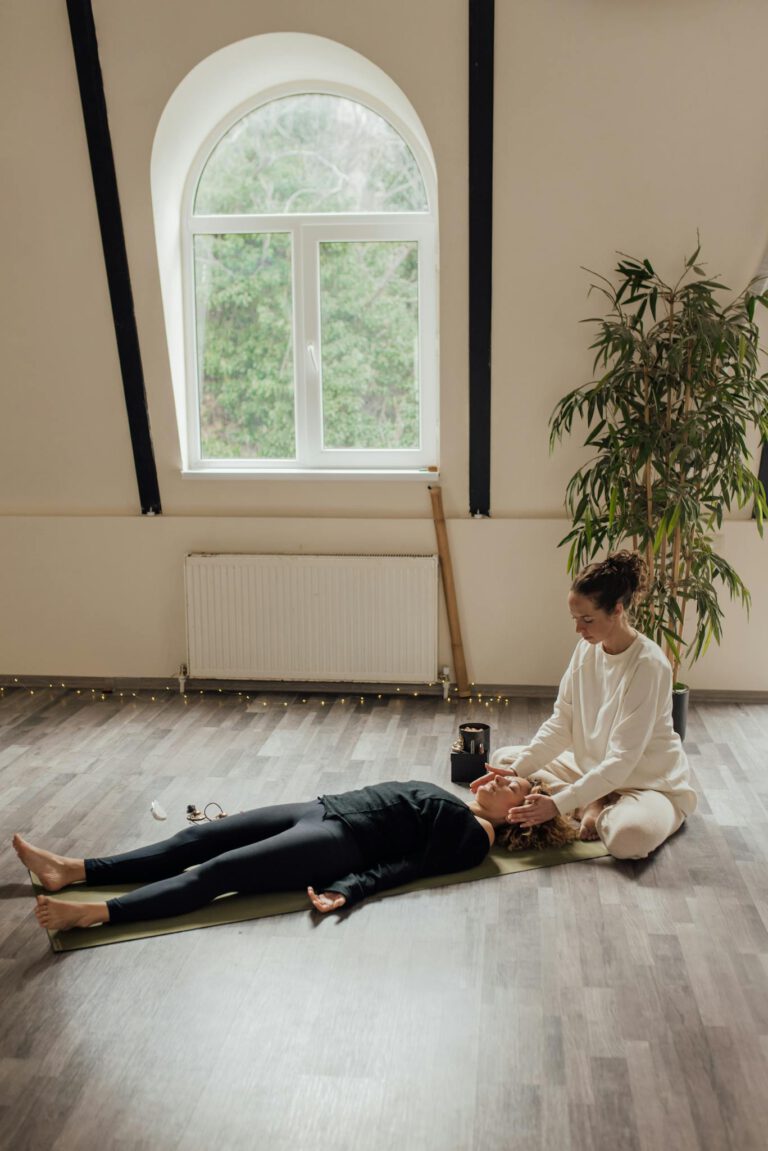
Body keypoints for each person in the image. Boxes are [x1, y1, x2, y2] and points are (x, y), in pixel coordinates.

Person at [13, 774, 575, 933]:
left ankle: (97, 912)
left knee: (216, 873)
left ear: (520, 817)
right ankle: (73, 870)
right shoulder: (466, 809)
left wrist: (348, 889)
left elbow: (405, 868)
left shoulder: (475, 839)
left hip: (337, 842)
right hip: (322, 808)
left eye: (515, 787)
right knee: (196, 839)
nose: (501, 778)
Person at [471, 551, 697, 860]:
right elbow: (560, 724)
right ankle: (593, 799)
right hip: (590, 767)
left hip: (646, 783)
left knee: (627, 841)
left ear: (617, 610)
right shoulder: (585, 651)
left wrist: (557, 804)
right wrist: (513, 772)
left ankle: (595, 803)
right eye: (576, 619)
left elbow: (622, 760)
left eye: (587, 620)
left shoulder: (649, 665)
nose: (579, 629)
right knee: (507, 757)